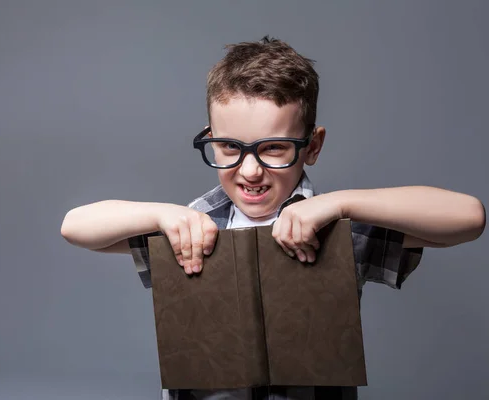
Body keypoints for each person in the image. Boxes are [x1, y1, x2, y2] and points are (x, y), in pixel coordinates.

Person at [60, 36, 486, 400]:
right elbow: (75, 227)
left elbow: (468, 217)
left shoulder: (337, 229)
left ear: (312, 146)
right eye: (229, 147)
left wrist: (342, 204)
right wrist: (159, 213)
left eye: (275, 148)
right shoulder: (191, 225)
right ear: (210, 138)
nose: (250, 170)